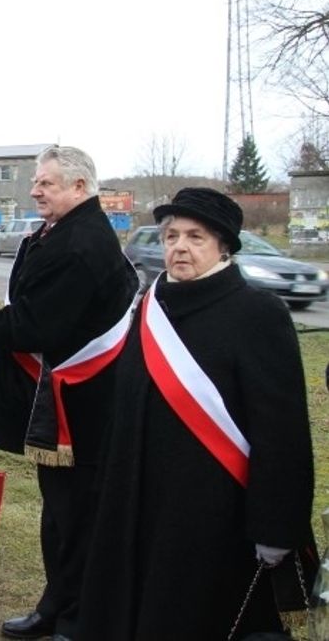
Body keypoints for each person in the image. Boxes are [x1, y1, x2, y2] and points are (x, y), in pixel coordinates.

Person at [77, 188, 314, 640]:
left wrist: (276, 525)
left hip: (211, 514)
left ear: (224, 246)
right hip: (136, 501)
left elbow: (281, 433)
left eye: (195, 236)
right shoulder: (150, 306)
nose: (179, 247)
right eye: (170, 236)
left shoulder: (257, 313)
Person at [0, 146, 137, 639]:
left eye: (47, 183)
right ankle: (55, 605)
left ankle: (77, 621)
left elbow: (29, 326)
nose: (35, 190)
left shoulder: (82, 244)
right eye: (37, 181)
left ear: (80, 188)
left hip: (83, 409)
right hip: (61, 404)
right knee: (59, 516)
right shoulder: (57, 234)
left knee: (78, 520)